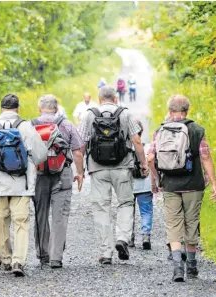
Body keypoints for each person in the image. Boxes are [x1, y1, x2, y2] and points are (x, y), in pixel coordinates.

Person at [0, 94, 47, 277]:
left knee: (1, 220)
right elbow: (40, 155)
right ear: (17, 108)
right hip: (21, 182)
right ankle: (18, 262)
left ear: (1, 108)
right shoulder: (25, 126)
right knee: (21, 222)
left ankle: (5, 259)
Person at [148, 94, 216, 282]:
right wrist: (213, 182)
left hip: (170, 185)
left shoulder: (160, 131)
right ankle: (192, 267)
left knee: (173, 224)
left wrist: (157, 180)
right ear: (187, 110)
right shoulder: (197, 129)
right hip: (194, 186)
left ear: (170, 111)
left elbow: (149, 159)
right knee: (191, 223)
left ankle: (178, 268)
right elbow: (205, 157)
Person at [78, 86, 148, 265]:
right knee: (125, 202)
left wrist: (80, 170)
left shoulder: (88, 114)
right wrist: (143, 163)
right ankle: (122, 238)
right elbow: (136, 140)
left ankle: (105, 252)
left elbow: (81, 145)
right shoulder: (125, 113)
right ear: (115, 98)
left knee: (101, 207)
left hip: (97, 167)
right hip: (122, 166)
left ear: (99, 99)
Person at [30, 94, 85, 269]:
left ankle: (42, 254)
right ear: (56, 107)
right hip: (62, 174)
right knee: (60, 216)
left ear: (39, 108)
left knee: (41, 214)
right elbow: (77, 151)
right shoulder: (66, 124)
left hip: (38, 175)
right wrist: (81, 173)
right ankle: (56, 257)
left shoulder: (30, 125)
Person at [129, 124, 153, 250]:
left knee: (128, 211)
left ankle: (129, 237)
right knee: (146, 211)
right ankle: (145, 236)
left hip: (128, 184)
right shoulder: (147, 146)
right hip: (145, 185)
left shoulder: (125, 148)